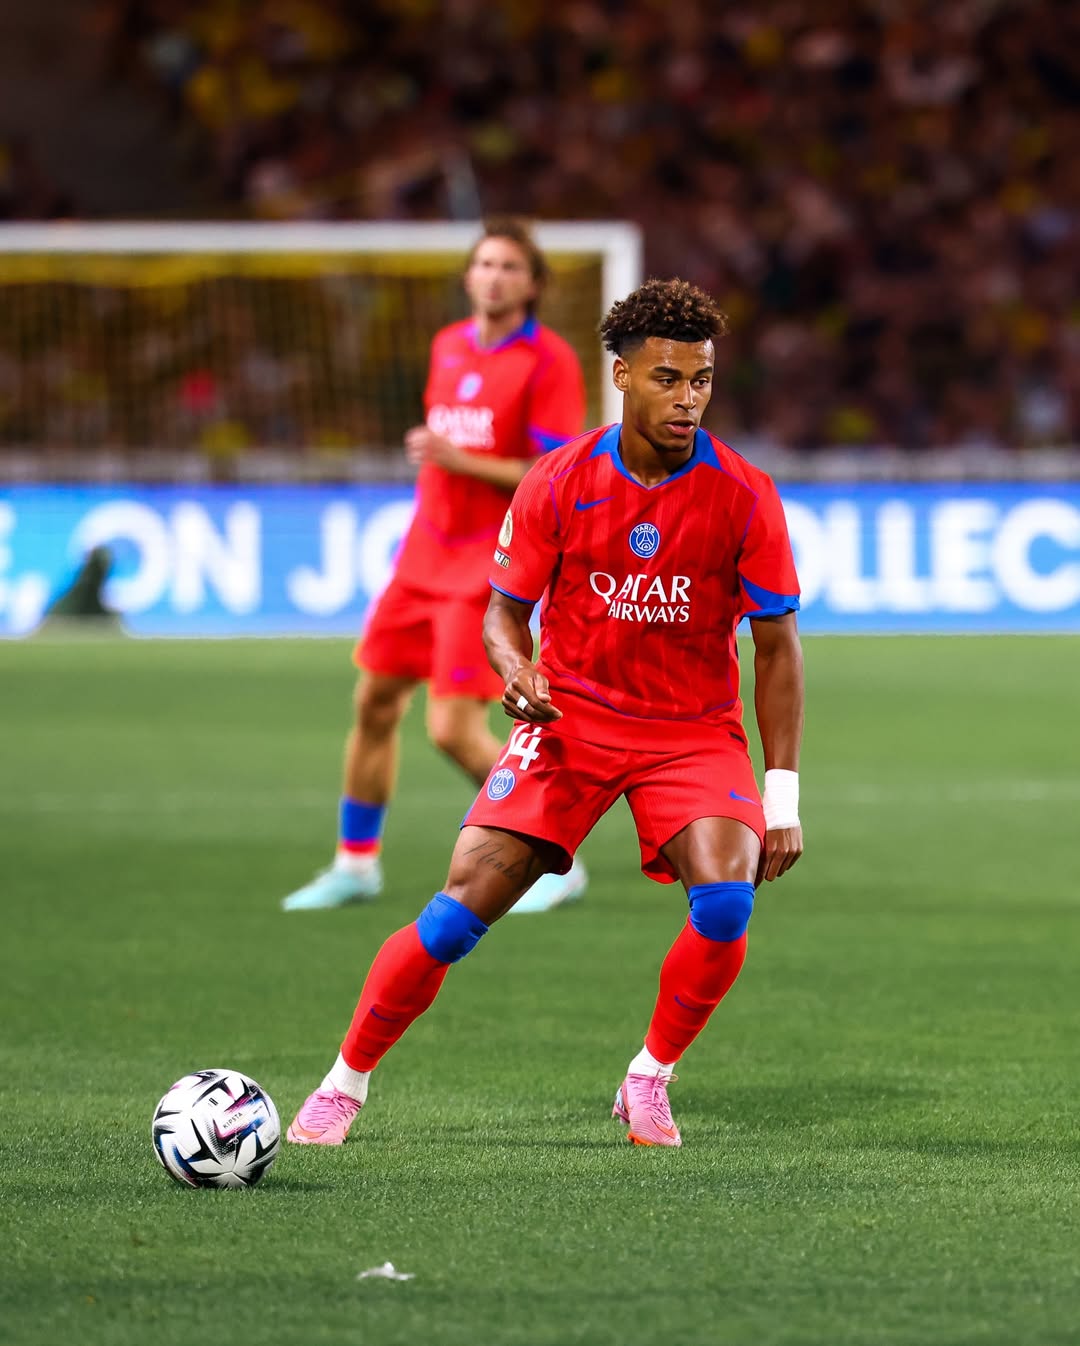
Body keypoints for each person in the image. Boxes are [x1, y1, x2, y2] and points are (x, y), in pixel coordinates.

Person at [285, 277, 805, 1149]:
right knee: (455, 916)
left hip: (689, 735)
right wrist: (515, 664)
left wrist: (780, 797)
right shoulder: (559, 480)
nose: (688, 399)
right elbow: (500, 609)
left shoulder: (745, 492)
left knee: (725, 902)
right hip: (571, 720)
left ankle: (649, 1078)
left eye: (702, 380)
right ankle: (344, 1083)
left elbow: (778, 646)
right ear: (622, 376)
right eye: (669, 379)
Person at [282, 217, 588, 915]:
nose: (495, 276)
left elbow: (552, 476)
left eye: (511, 266)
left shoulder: (549, 361)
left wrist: (459, 459)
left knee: (451, 729)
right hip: (420, 558)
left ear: (533, 284)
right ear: (467, 276)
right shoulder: (448, 346)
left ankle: (557, 859)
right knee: (374, 703)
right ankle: (355, 865)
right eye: (485, 263)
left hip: (484, 567)